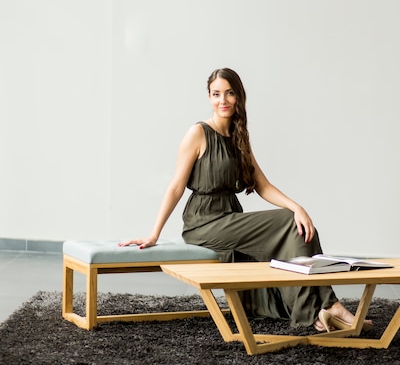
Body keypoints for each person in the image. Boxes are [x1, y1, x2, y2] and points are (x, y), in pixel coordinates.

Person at [118, 68, 370, 331]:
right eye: (216, 94)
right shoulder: (198, 133)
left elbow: (261, 184)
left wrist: (298, 207)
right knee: (287, 222)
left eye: (229, 93)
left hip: (229, 219)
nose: (222, 100)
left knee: (301, 227)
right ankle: (326, 308)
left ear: (238, 96)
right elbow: (176, 187)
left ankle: (324, 309)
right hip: (203, 223)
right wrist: (153, 233)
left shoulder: (239, 137)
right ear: (209, 97)